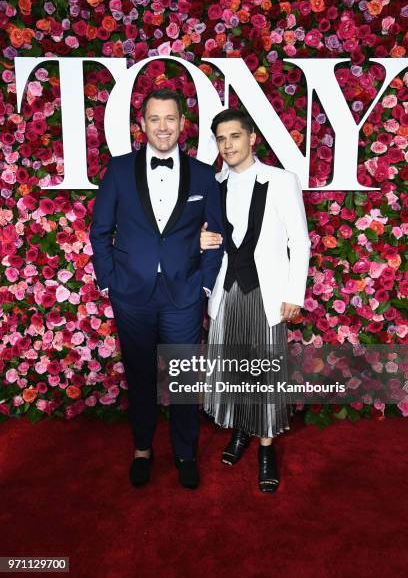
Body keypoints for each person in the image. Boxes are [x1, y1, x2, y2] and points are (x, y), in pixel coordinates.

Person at [89, 89, 224, 490]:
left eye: (170, 119)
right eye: (154, 119)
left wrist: (203, 284)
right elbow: (100, 232)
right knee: (140, 374)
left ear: (183, 124)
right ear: (142, 124)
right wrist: (110, 281)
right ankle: (143, 450)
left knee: (184, 379)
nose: (163, 127)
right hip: (132, 294)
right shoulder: (119, 170)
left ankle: (185, 454)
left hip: (184, 293)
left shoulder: (204, 175)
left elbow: (215, 234)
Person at [200, 109, 311, 493]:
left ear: (251, 138)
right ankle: (239, 432)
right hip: (226, 291)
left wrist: (293, 294)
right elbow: (208, 238)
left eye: (234, 136)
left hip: (266, 293)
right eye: (221, 138)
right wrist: (201, 242)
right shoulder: (213, 184)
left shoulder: (280, 181)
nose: (227, 145)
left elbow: (299, 241)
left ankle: (266, 448)